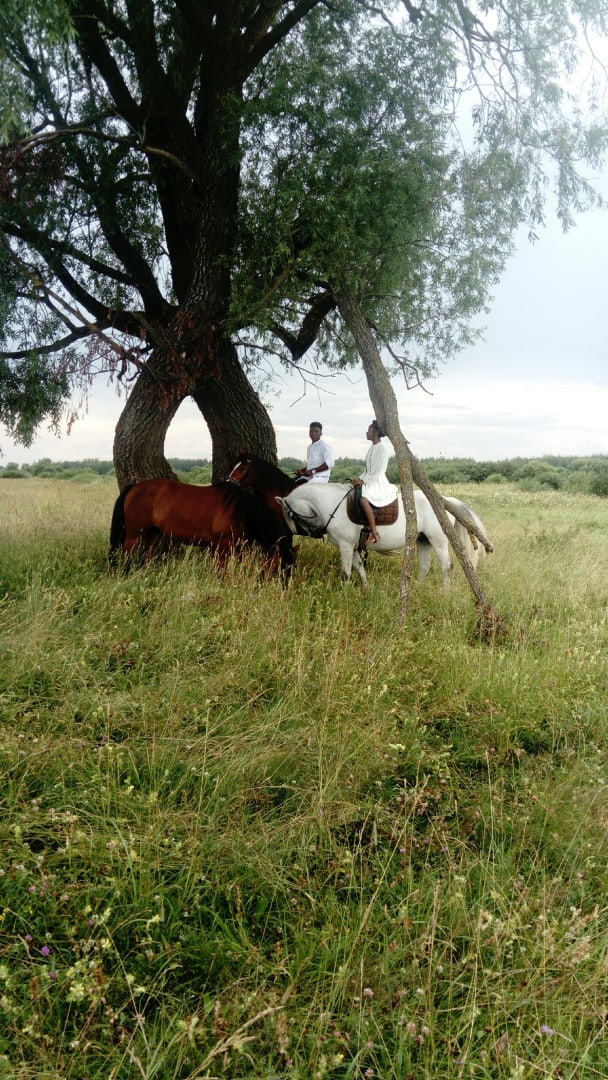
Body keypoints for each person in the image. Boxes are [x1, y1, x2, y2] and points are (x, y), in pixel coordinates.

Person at [351, 420, 396, 544]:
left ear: (375, 432)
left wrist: (363, 480)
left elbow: (379, 471)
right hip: (369, 480)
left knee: (364, 500)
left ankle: (374, 532)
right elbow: (368, 470)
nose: (366, 432)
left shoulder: (382, 448)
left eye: (369, 430)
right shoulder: (372, 448)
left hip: (378, 482)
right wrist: (358, 479)